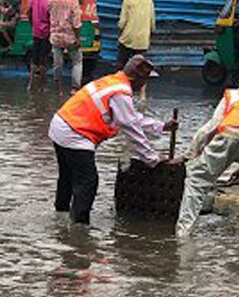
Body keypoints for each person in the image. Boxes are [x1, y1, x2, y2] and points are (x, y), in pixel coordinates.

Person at [48, 55, 178, 225]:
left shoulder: (114, 81)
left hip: (61, 125)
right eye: (145, 79)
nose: (145, 84)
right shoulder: (121, 92)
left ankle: (61, 215)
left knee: (67, 176)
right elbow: (131, 128)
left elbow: (128, 118)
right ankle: (79, 228)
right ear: (136, 78)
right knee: (88, 181)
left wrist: (161, 126)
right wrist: (153, 158)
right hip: (76, 133)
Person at [176, 80, 239, 238]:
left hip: (230, 134)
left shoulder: (234, 96)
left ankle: (184, 231)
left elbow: (210, 128)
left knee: (196, 180)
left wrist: (189, 155)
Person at [48, 0, 83, 96]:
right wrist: (78, 38)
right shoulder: (73, 1)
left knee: (57, 63)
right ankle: (74, 88)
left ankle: (59, 89)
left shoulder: (51, 0)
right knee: (77, 62)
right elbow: (76, 22)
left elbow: (49, 15)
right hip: (70, 37)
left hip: (56, 37)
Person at [27, 0, 59, 91]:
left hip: (36, 31)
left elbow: (29, 11)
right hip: (46, 32)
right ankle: (41, 86)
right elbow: (52, 16)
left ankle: (30, 84)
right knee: (43, 60)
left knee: (35, 59)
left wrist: (34, 24)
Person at [117, 0, 155, 68]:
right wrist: (151, 31)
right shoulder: (149, 1)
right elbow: (152, 20)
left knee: (123, 62)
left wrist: (120, 28)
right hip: (143, 38)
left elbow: (123, 20)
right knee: (138, 65)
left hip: (128, 36)